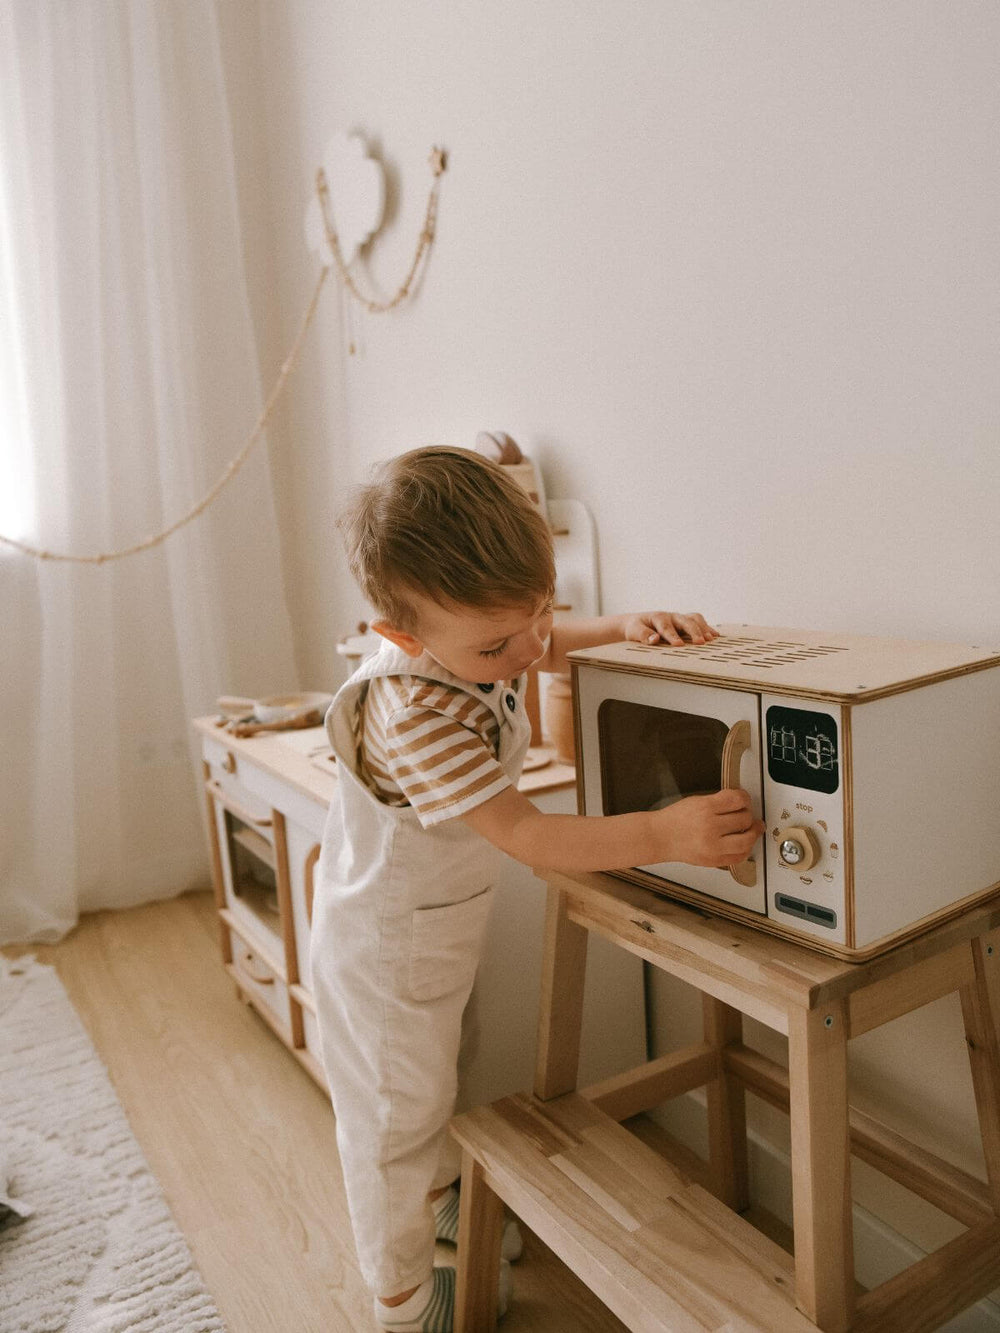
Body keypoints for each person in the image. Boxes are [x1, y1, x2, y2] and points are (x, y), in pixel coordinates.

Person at [309, 446, 764, 1332]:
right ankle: (399, 1297)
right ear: (403, 636)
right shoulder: (418, 714)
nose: (528, 653)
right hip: (384, 949)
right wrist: (668, 834)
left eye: (541, 612)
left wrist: (622, 625)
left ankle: (443, 1195)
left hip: (431, 928)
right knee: (392, 1119)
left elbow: (543, 646)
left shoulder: (479, 638)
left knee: (437, 1071)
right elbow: (530, 835)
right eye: (496, 645)